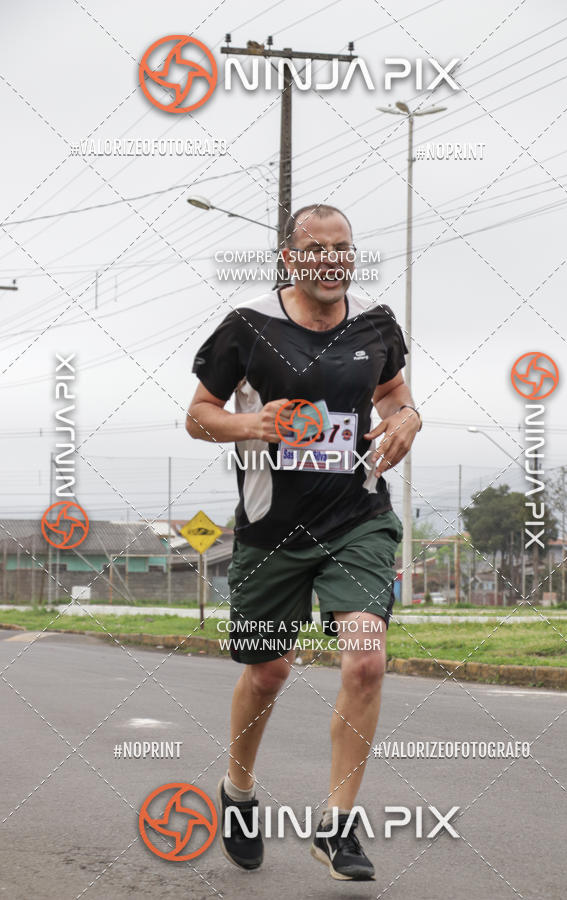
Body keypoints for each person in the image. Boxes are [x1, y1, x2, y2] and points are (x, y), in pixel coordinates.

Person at [186, 203, 421, 880]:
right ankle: (237, 792)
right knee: (269, 671)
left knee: (365, 662)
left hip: (358, 516)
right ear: (289, 258)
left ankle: (337, 827)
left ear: (353, 254)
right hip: (272, 529)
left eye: (341, 248)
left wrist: (408, 418)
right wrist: (254, 423)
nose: (330, 260)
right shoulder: (248, 327)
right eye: (315, 249)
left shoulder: (377, 322)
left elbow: (394, 394)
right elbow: (199, 415)